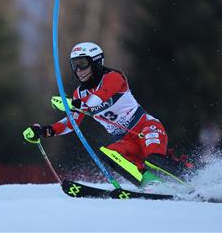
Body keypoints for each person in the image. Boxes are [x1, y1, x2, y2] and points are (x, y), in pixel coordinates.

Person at [23, 42, 188, 189]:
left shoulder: (114, 77)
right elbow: (71, 124)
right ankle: (150, 183)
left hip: (146, 128)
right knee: (109, 153)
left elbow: (98, 98)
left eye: (82, 64)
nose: (78, 70)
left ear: (95, 62)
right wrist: (44, 131)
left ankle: (191, 180)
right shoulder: (79, 94)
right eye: (75, 65)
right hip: (127, 140)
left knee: (154, 159)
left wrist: (73, 103)